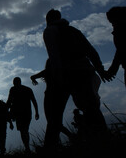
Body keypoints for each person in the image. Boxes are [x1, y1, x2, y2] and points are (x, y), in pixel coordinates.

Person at [43, 9, 109, 149]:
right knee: (91, 108)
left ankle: (51, 147)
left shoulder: (50, 31)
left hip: (66, 73)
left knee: (55, 113)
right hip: (84, 71)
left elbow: (53, 54)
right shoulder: (73, 30)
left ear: (48, 19)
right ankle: (104, 140)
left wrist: (58, 75)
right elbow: (90, 50)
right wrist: (100, 69)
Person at [6, 77, 39, 153]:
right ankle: (27, 147)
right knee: (24, 130)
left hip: (20, 113)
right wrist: (36, 112)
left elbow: (9, 101)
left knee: (23, 130)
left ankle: (27, 148)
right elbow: (34, 101)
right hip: (26, 113)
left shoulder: (13, 89)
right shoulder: (27, 89)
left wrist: (7, 111)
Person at [106, 6, 126, 86]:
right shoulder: (119, 30)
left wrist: (112, 71)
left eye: (113, 22)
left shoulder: (120, 31)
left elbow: (121, 51)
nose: (112, 25)